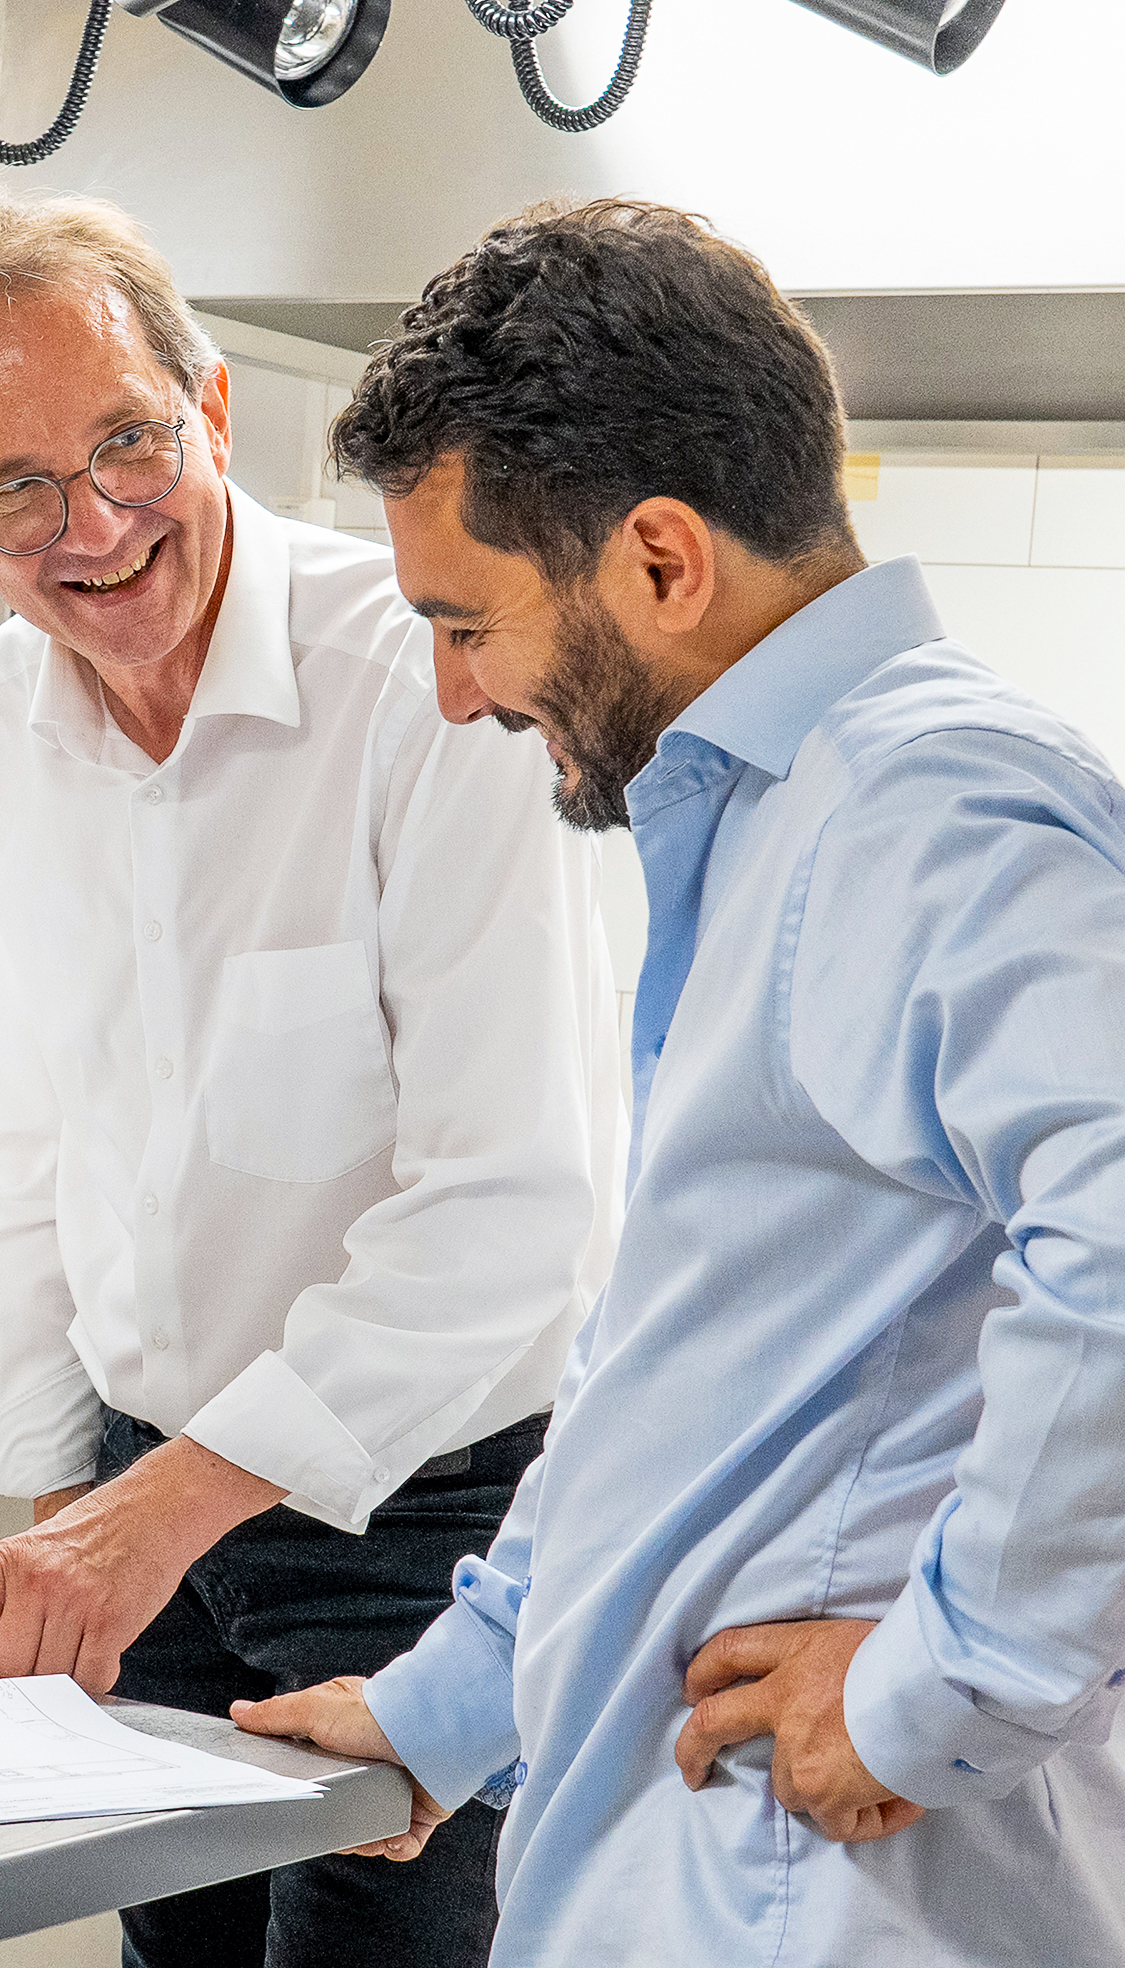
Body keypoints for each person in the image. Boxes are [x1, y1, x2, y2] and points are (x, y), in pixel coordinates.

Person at [235, 199, 1125, 1964]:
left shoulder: (930, 805)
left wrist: (945, 1685)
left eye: (464, 619)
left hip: (827, 1889)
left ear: (655, 557)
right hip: (686, 1865)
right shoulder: (772, 817)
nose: (451, 690)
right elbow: (689, 1364)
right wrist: (450, 1701)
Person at [0, 183, 623, 1966]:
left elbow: (515, 1204)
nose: (95, 521)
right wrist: (78, 1495)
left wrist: (155, 1504)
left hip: (422, 1510)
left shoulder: (424, 684)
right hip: (150, 1489)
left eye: (126, 440)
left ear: (210, 411)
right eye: (17, 488)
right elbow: (38, 1138)